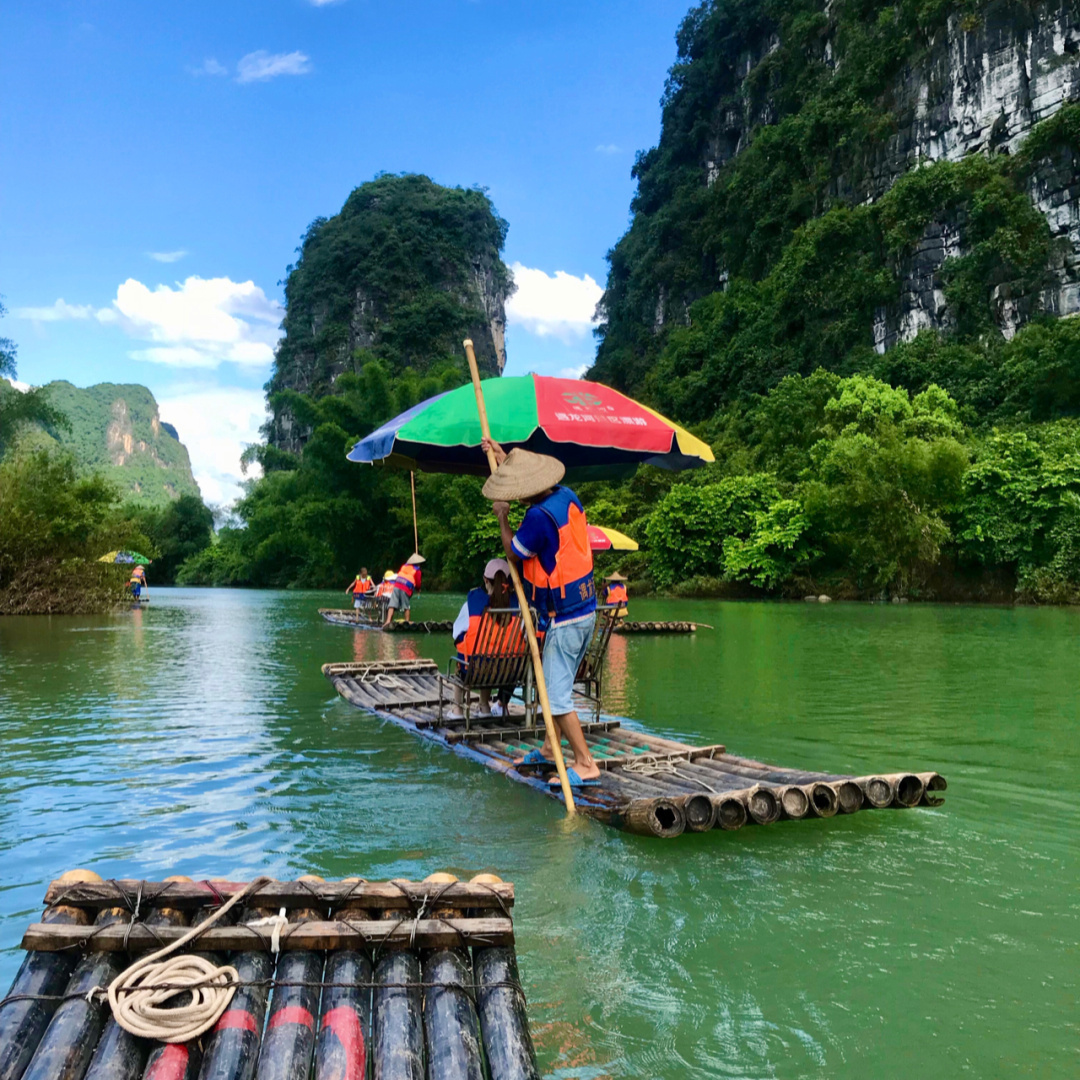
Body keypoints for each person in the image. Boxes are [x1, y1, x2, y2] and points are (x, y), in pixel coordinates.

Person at [482, 440, 601, 787]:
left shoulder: (535, 517)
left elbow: (515, 553)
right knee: (558, 685)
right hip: (584, 609)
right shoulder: (567, 495)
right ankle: (551, 750)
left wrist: (503, 517)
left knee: (555, 694)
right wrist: (505, 460)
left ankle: (585, 762)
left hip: (564, 619)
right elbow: (529, 486)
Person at [448, 558, 519, 719]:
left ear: (485, 580)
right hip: (511, 673)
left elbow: (456, 633)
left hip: (474, 671)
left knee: (470, 658)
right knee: (495, 656)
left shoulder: (472, 604)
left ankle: (458, 711)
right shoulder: (518, 605)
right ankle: (484, 705)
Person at [382, 553, 425, 628]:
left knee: (392, 604)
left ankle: (388, 621)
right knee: (406, 606)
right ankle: (407, 621)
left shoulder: (404, 566)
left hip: (397, 585)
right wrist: (418, 589)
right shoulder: (417, 570)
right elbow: (418, 582)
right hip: (405, 587)